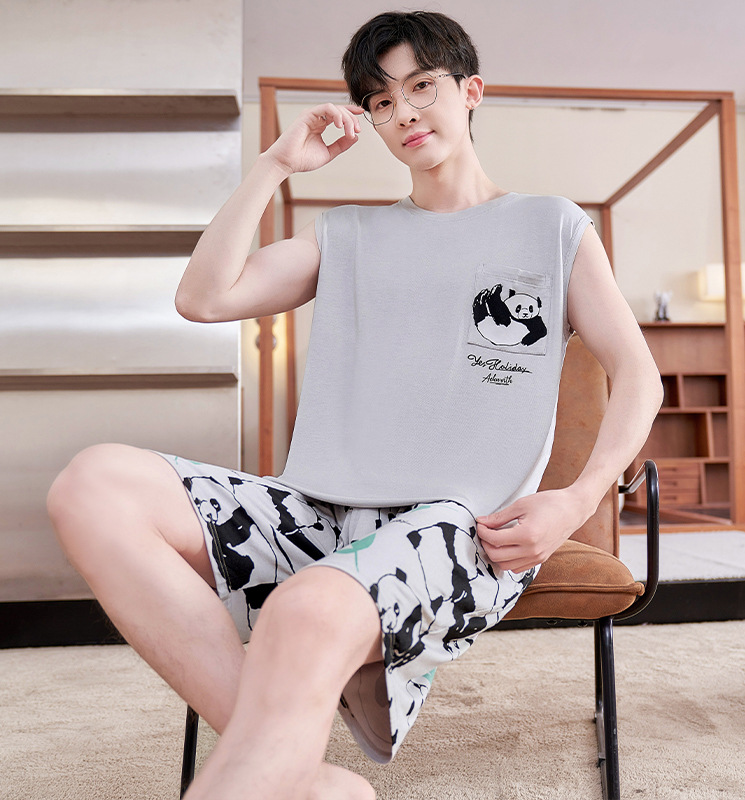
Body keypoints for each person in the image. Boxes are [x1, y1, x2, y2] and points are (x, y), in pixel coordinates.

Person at [47, 10, 662, 800]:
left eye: (422, 87)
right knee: (91, 484)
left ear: (471, 91)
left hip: (462, 527)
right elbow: (203, 299)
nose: (403, 112)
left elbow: (638, 376)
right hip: (317, 513)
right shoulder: (346, 235)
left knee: (306, 609)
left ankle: (266, 772)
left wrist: (576, 501)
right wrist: (274, 164)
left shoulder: (551, 226)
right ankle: (301, 777)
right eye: (381, 100)